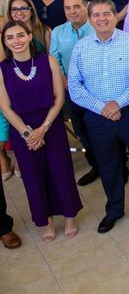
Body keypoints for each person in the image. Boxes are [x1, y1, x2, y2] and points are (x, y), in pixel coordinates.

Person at [68, 0, 129, 234]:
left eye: (107, 14)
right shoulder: (81, 48)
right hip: (97, 116)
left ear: (115, 16)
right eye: (97, 15)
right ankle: (114, 209)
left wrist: (118, 103)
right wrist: (102, 107)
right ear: (90, 19)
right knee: (108, 165)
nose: (102, 19)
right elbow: (74, 86)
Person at [0, 20, 82, 241]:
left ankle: (69, 217)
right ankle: (45, 221)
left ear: (29, 36)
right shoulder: (3, 69)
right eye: (10, 38)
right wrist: (28, 134)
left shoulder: (48, 61)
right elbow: (5, 107)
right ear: (5, 43)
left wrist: (43, 129)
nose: (15, 41)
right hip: (22, 130)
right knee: (33, 177)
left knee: (60, 172)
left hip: (51, 124)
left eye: (19, 35)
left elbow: (59, 98)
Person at [49, 0, 98, 186]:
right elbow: (54, 59)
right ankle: (95, 165)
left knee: (103, 131)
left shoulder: (98, 27)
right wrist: (64, 78)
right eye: (68, 8)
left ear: (86, 7)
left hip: (97, 90)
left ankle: (118, 165)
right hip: (72, 91)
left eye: (76, 7)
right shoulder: (58, 32)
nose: (72, 11)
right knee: (82, 131)